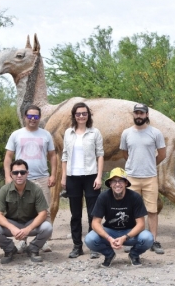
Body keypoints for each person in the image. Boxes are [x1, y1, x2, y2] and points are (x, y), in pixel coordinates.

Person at [4, 104, 57, 253]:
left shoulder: (46, 134)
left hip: (41, 177)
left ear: (39, 118)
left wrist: (53, 175)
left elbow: (52, 156)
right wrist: (8, 176)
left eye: (36, 116)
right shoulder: (16, 134)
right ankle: (22, 241)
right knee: (23, 211)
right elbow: (8, 157)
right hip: (20, 178)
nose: (33, 119)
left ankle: (44, 241)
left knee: (44, 210)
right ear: (24, 117)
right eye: (30, 116)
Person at [120, 103, 166, 254]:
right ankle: (131, 239)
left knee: (152, 210)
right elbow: (125, 154)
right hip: (131, 177)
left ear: (147, 115)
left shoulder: (155, 133)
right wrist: (133, 164)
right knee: (131, 210)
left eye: (142, 113)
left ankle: (153, 240)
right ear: (133, 115)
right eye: (136, 113)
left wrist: (150, 164)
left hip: (150, 177)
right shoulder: (126, 133)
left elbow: (162, 154)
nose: (139, 115)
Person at [85, 168, 154, 267]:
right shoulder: (103, 197)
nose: (117, 184)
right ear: (110, 184)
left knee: (148, 238)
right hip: (110, 232)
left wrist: (124, 238)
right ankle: (109, 254)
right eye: (114, 181)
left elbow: (141, 224)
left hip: (130, 232)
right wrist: (109, 238)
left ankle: (134, 255)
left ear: (126, 183)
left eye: (120, 180)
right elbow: (95, 223)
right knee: (90, 239)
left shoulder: (135, 197)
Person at [0, 159, 53, 264]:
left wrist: (28, 229)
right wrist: (12, 228)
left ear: (27, 173)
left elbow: (43, 213)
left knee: (47, 227)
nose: (19, 175)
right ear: (11, 174)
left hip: (31, 223)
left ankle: (33, 249)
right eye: (15, 172)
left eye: (22, 172)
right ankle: (9, 249)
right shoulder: (4, 190)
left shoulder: (36, 189)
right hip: (12, 223)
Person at [61, 102, 104, 259]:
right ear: (74, 115)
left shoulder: (95, 133)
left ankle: (93, 245)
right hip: (73, 177)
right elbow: (65, 155)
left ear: (88, 115)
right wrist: (64, 177)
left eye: (84, 113)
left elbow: (100, 155)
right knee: (75, 214)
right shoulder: (68, 133)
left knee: (93, 213)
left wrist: (99, 176)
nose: (81, 116)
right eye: (78, 113)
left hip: (91, 176)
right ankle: (77, 246)